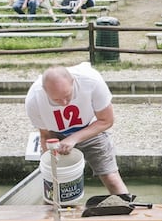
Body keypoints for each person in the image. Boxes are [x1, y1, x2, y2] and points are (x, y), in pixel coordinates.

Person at [25, 63, 131, 198]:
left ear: (73, 82)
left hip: (92, 128)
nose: (64, 103)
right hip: (57, 135)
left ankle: (126, 208)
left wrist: (74, 138)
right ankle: (52, 215)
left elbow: (107, 121)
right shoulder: (34, 100)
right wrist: (51, 161)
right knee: (54, 188)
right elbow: (45, 136)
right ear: (45, 90)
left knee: (111, 178)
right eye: (56, 99)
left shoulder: (91, 81)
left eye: (67, 95)